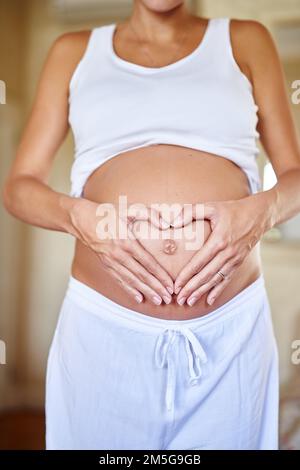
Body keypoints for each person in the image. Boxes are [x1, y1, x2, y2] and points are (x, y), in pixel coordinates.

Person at [3, 0, 300, 450]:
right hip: (102, 332)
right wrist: (78, 216)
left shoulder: (245, 39)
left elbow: (295, 177)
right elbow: (19, 188)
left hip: (230, 333)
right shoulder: (73, 51)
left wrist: (262, 211)